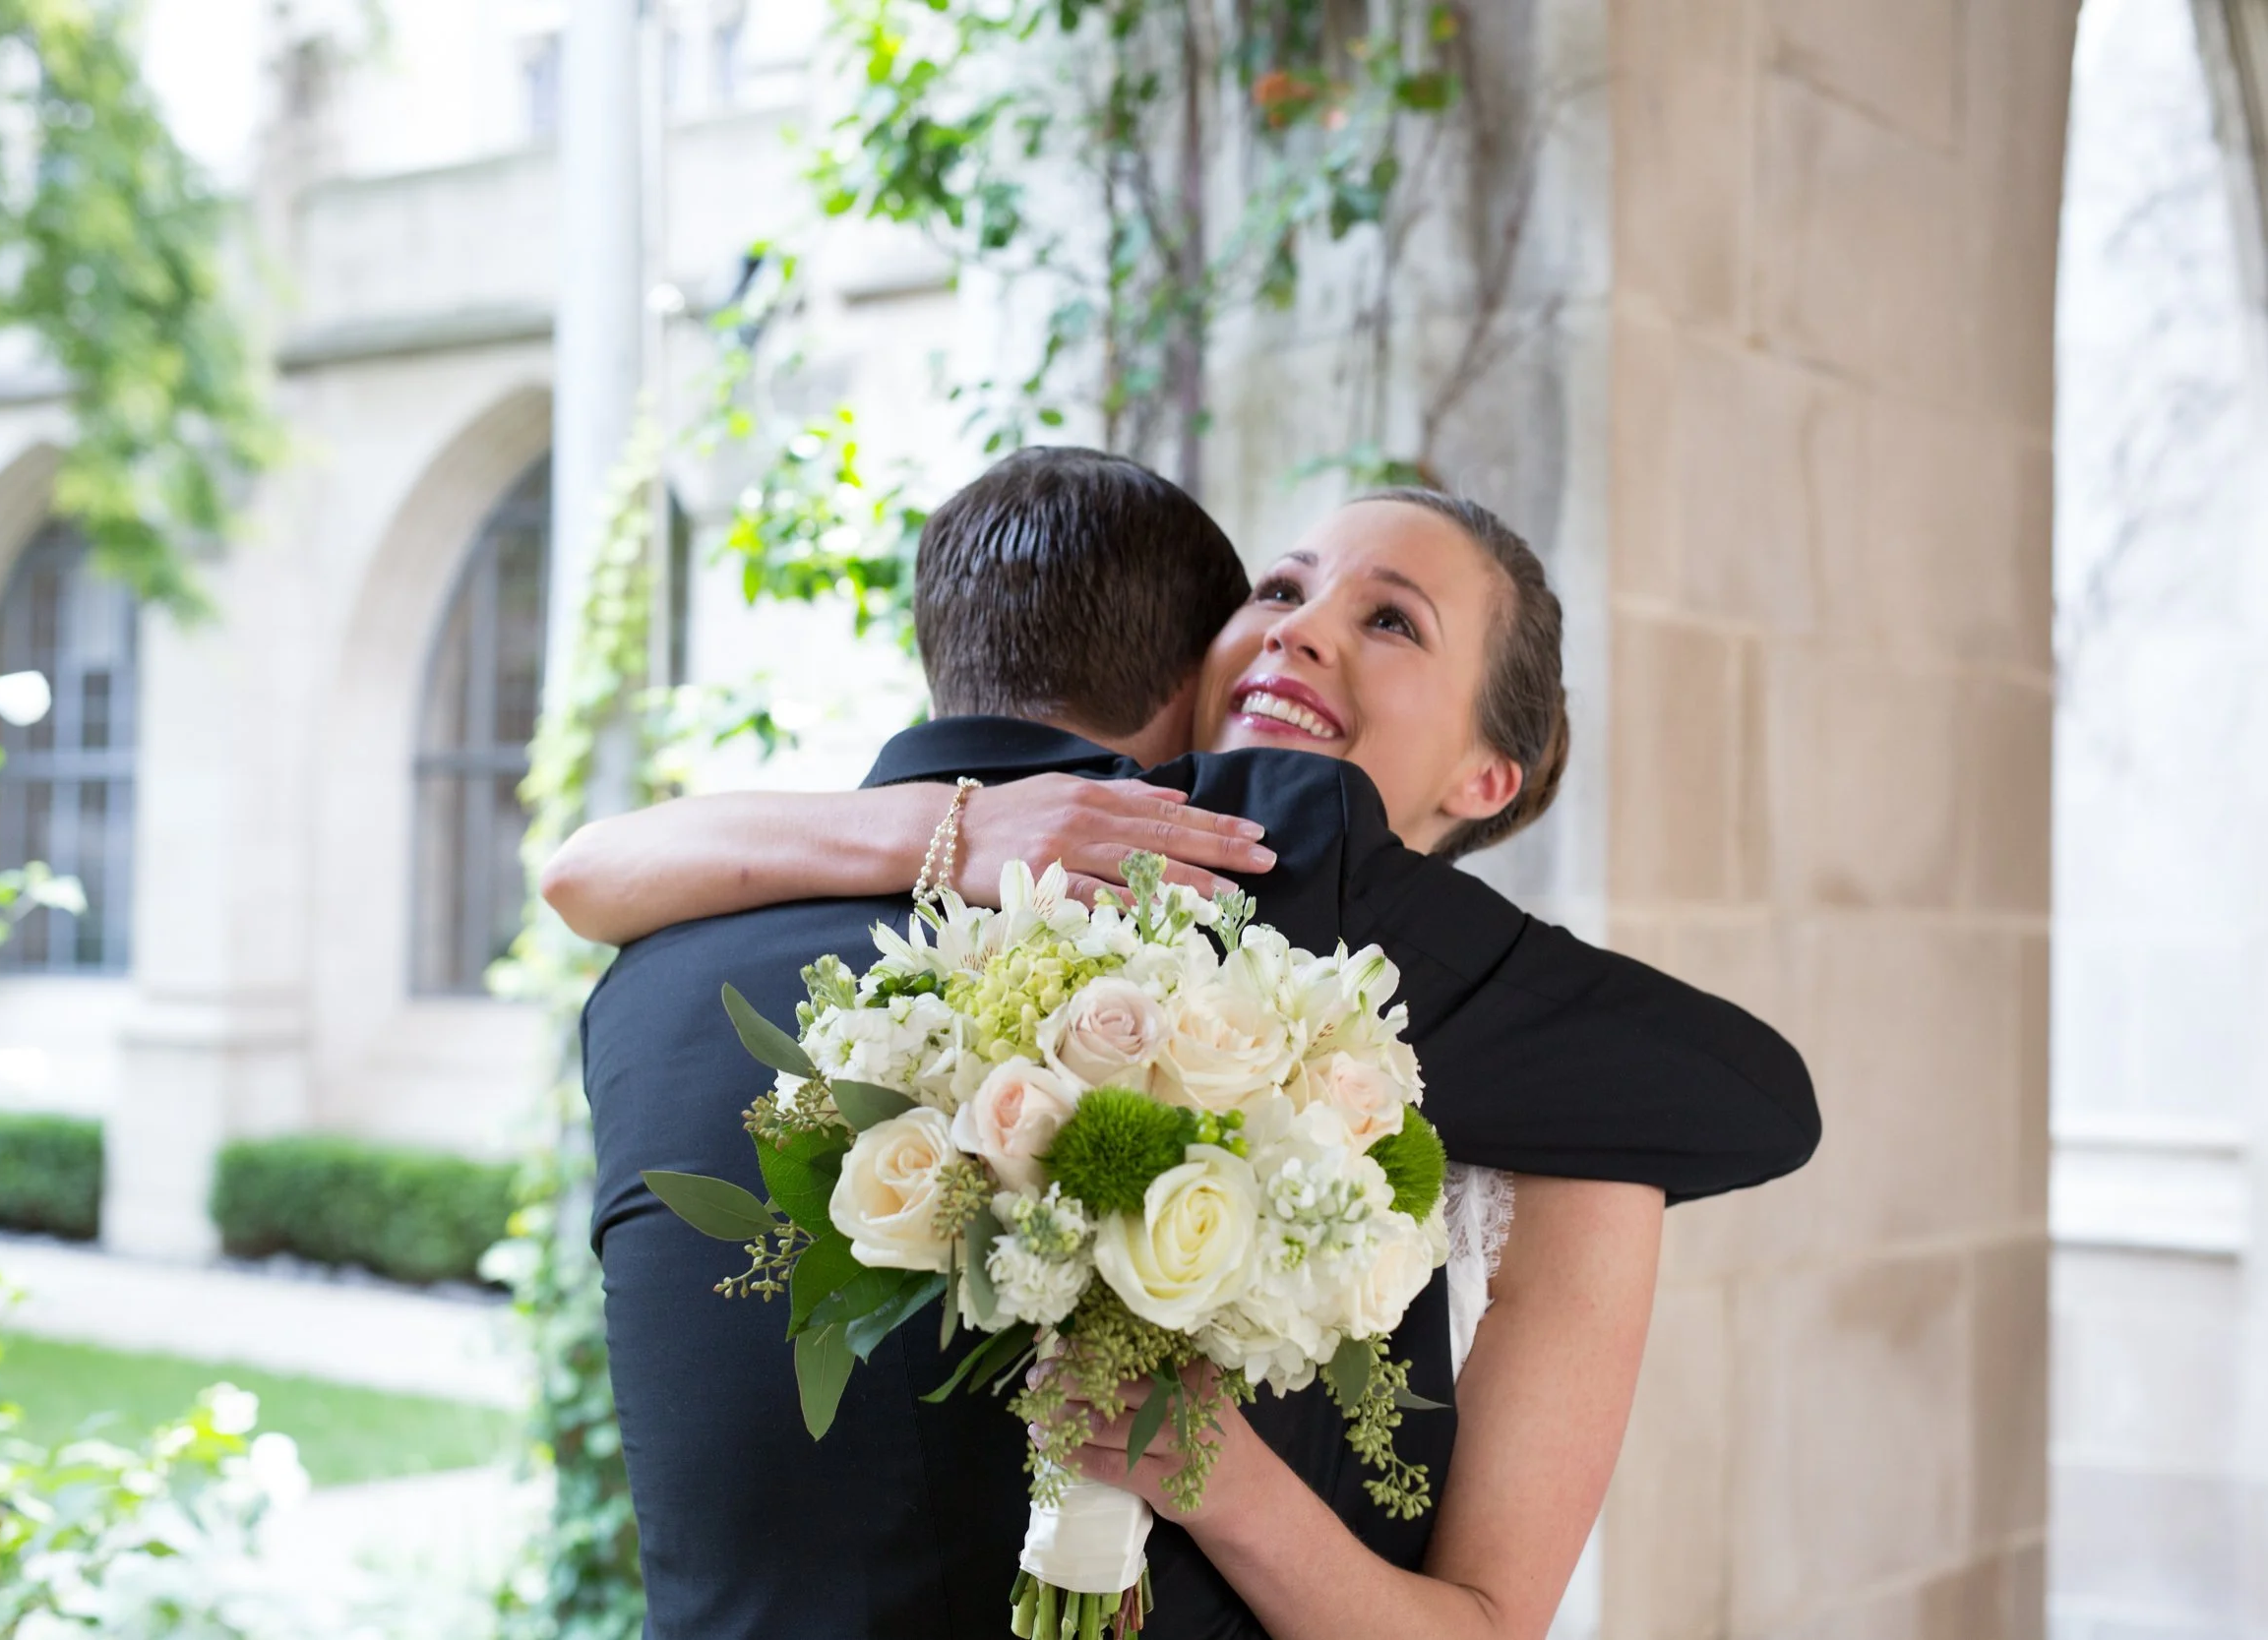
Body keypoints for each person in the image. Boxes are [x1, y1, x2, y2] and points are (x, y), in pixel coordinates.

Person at [565, 448, 1817, 1640]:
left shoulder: (1556, 1078)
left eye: (1393, 619)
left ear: (1493, 773)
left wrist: (1208, 1468)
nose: (1299, 625)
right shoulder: (1115, 875)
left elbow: (1758, 1096)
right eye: (1276, 589)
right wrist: (956, 829)